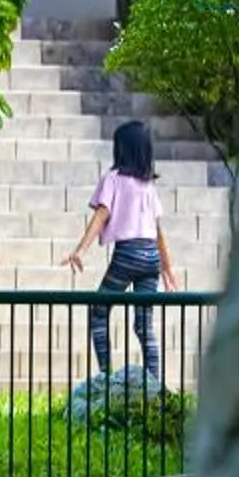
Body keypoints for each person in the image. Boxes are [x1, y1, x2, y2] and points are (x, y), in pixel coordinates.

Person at [64, 118, 181, 385]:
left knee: (99, 310)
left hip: (128, 254)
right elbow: (159, 230)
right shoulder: (148, 185)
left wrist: (80, 249)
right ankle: (154, 384)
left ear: (121, 150)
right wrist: (167, 269)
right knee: (144, 325)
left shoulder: (113, 179)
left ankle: (105, 376)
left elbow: (101, 215)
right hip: (150, 256)